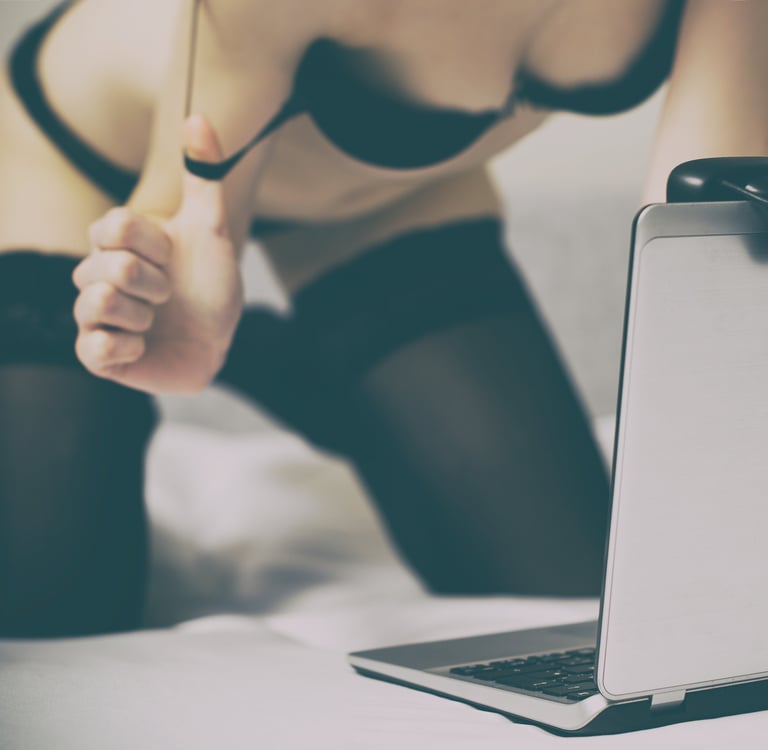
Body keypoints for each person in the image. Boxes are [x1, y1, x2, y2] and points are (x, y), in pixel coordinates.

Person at [0, 0, 762, 637]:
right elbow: (188, 211)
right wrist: (155, 301)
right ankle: (294, 369)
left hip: (388, 193)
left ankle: (317, 378)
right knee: (56, 612)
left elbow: (700, 248)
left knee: (580, 595)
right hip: (89, 163)